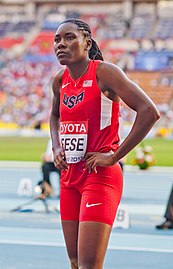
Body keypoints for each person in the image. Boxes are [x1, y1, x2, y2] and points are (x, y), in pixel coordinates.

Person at [49, 18, 160, 269]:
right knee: (75, 262)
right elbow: (54, 115)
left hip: (99, 176)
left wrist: (113, 157)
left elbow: (149, 112)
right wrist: (56, 147)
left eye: (69, 38)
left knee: (89, 265)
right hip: (70, 177)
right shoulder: (59, 80)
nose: (61, 45)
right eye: (57, 40)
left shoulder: (104, 73)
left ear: (87, 42)